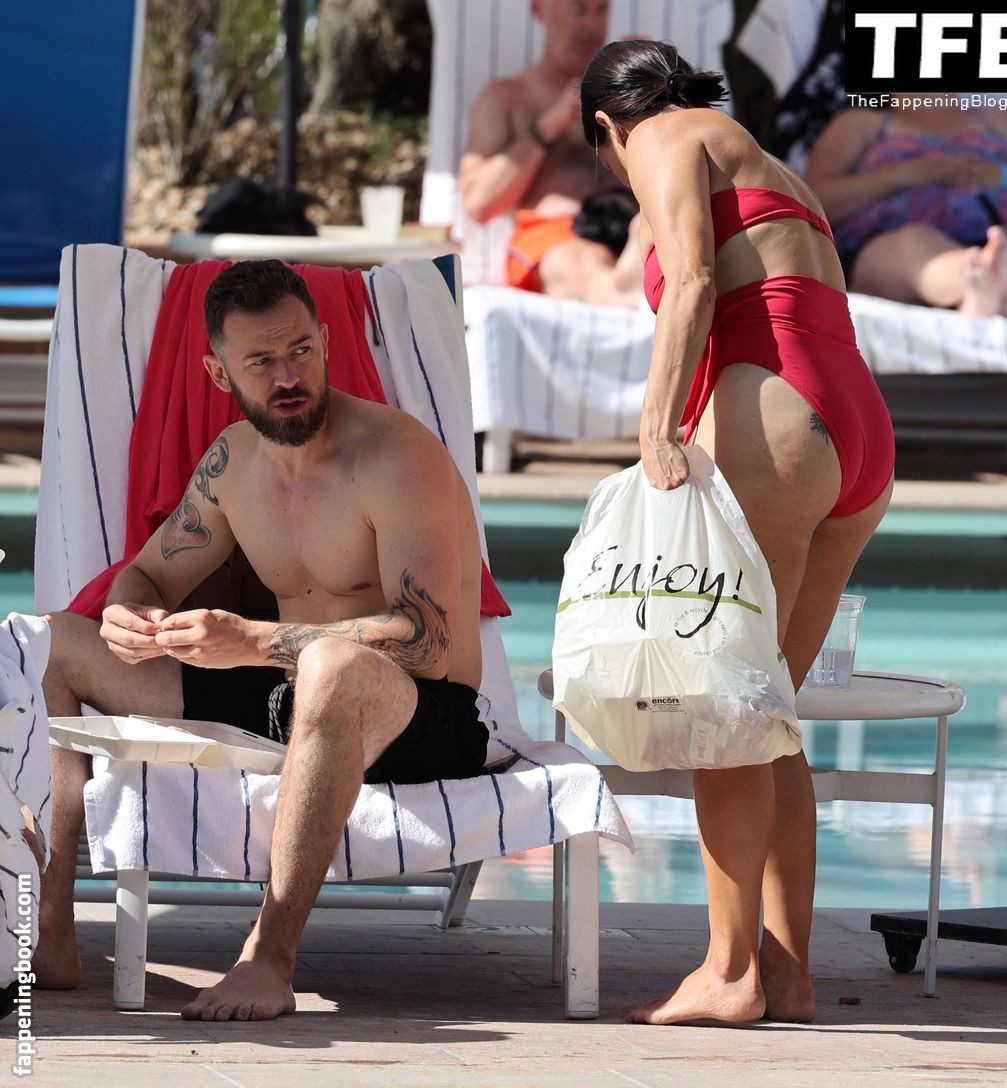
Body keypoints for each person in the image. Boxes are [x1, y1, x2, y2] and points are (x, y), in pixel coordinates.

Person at [32, 260, 490, 1021]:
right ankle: (50, 928)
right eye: (261, 361)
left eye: (301, 350)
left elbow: (427, 642)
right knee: (47, 641)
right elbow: (149, 573)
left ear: (326, 341)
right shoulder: (232, 463)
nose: (288, 376)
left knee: (333, 666)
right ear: (219, 373)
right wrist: (128, 613)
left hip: (421, 714)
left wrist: (253, 639)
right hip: (288, 696)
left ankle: (269, 957)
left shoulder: (395, 457)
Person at [580, 40, 896, 1025]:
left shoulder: (666, 137)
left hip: (775, 420)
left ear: (607, 126)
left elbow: (690, 283)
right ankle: (787, 973)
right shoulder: (762, 157)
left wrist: (653, 431)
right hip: (853, 423)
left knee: (724, 718)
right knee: (769, 717)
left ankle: (727, 972)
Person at [458, 0, 643, 306]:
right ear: (539, 9)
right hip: (555, 236)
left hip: (636, 223)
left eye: (602, 10)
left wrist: (651, 95)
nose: (593, 25)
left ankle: (628, 284)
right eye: (578, 10)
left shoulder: (625, 92)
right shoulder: (508, 97)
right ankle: (620, 294)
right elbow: (479, 203)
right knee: (582, 262)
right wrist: (551, 123)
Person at [804, 102, 1007, 317]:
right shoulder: (860, 124)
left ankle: (991, 284)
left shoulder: (1004, 118)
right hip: (892, 243)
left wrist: (1003, 176)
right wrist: (899, 175)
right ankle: (989, 283)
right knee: (912, 246)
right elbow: (809, 203)